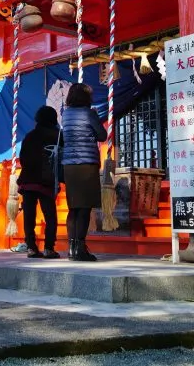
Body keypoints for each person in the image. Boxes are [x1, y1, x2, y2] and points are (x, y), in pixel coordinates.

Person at [60, 83, 105, 262]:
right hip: (87, 163)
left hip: (69, 165)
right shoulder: (89, 114)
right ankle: (80, 248)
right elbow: (102, 135)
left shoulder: (65, 114)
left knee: (73, 208)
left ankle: (71, 248)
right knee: (85, 208)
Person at [18, 105, 61, 259]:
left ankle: (31, 247)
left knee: (29, 215)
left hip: (28, 179)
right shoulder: (57, 136)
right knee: (50, 215)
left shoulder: (30, 136)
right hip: (46, 180)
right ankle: (49, 248)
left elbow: (22, 158)